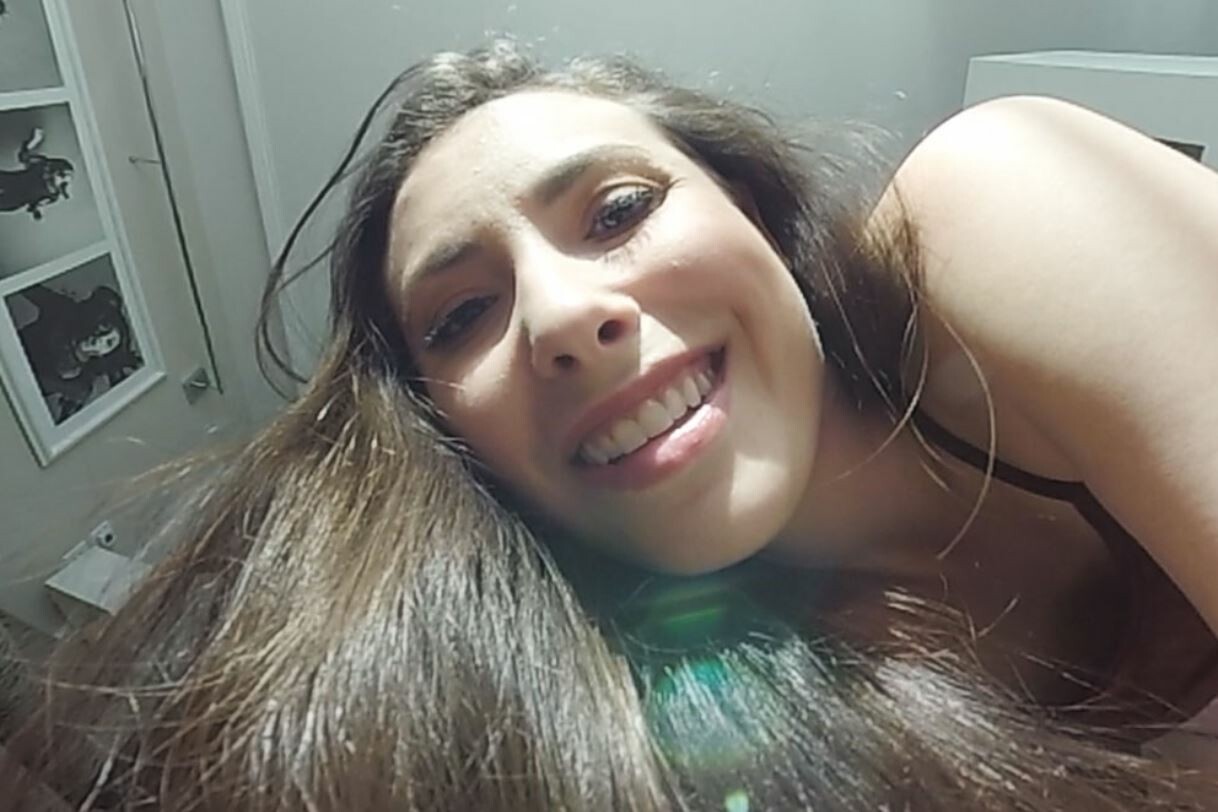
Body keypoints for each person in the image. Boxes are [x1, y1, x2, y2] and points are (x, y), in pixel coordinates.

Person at [4, 39, 1218, 810]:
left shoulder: (990, 211)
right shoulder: (689, 722)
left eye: (619, 209)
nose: (561, 317)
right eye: (463, 314)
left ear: (752, 210)